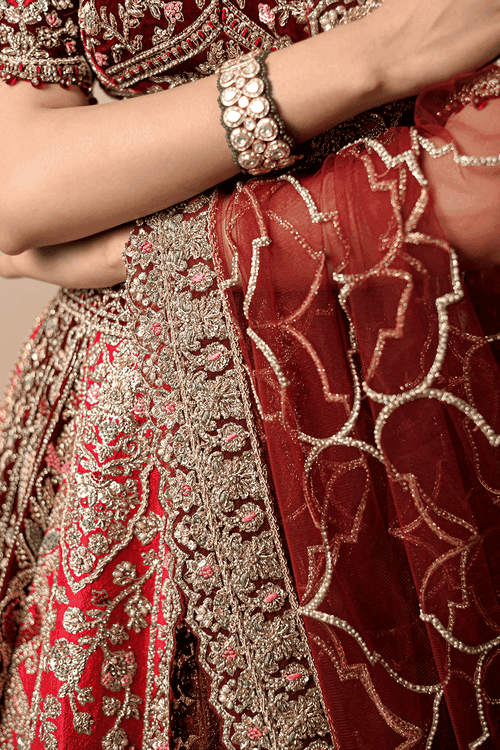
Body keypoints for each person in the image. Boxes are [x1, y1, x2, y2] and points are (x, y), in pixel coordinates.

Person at [0, 0, 500, 748]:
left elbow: (477, 188)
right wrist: (380, 55)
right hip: (117, 458)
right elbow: (23, 178)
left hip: (416, 407)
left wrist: (128, 243)